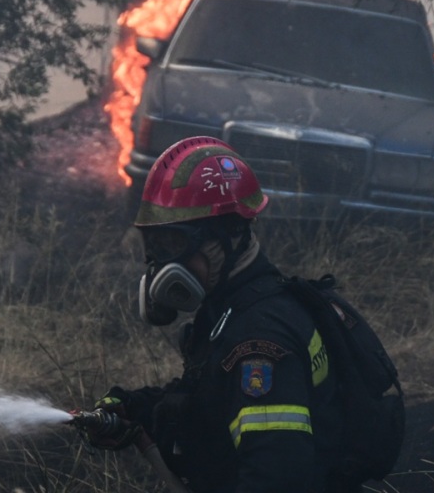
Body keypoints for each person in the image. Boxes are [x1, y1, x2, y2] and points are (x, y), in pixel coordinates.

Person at [84, 136, 356, 493]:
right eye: (153, 246)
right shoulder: (230, 308)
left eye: (173, 244)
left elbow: (276, 478)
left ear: (228, 236)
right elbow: (210, 399)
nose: (161, 263)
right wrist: (134, 409)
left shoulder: (259, 343)